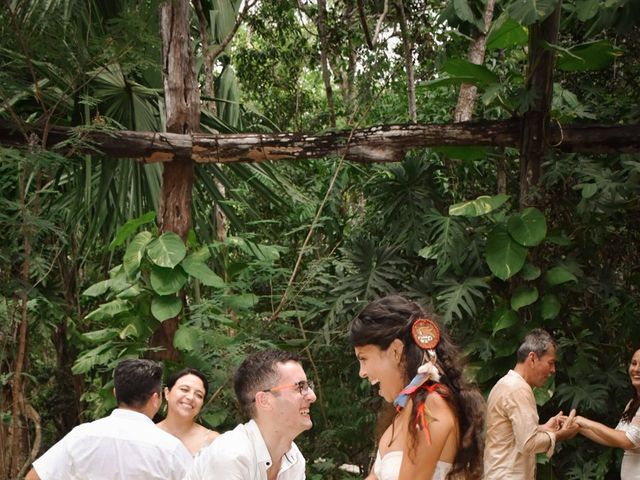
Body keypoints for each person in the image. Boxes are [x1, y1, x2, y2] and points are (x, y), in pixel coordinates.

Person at [350, 294, 485, 480]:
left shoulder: (430, 405)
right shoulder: (404, 409)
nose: (362, 372)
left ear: (396, 351)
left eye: (364, 358)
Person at [26, 358, 192, 480]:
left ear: (115, 393)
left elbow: (34, 477)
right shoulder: (171, 449)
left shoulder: (82, 436)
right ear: (156, 399)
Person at [185, 349, 317, 479]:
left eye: (308, 386)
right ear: (264, 400)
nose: (312, 396)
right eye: (300, 387)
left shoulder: (294, 459)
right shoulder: (231, 454)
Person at [483, 328, 578, 479]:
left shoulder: (505, 383)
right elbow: (528, 443)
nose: (553, 370)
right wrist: (560, 435)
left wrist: (544, 428)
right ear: (532, 358)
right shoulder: (518, 389)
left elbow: (511, 434)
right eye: (551, 363)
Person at [560, 347, 640, 479]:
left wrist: (586, 422)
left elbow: (627, 441)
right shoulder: (633, 404)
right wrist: (578, 426)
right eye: (634, 363)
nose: (636, 370)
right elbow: (614, 438)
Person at [156, 367, 220, 455]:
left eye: (199, 395)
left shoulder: (213, 441)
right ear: (167, 393)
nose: (191, 397)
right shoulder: (148, 433)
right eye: (184, 390)